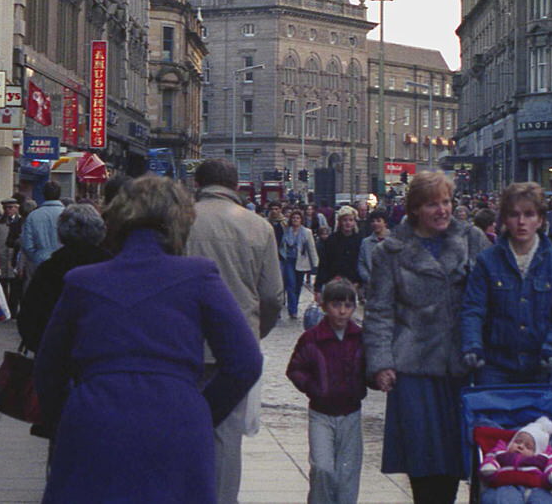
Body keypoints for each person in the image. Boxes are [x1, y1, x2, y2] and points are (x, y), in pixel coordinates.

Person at [34, 175, 263, 503]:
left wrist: (68, 416)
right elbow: (245, 361)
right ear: (180, 222)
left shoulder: (82, 282)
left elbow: (47, 369)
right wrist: (201, 409)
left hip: (95, 416)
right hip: (177, 418)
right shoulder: (199, 276)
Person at [365, 171, 487, 504]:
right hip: (414, 370)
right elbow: (378, 312)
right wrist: (381, 364)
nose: (443, 210)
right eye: (433, 203)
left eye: (446, 201)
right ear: (416, 208)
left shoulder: (471, 239)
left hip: (461, 367)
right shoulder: (390, 252)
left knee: (456, 459)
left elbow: (490, 297)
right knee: (421, 462)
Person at [187, 158, 285, 504]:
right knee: (227, 435)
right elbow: (273, 294)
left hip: (186, 345)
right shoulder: (260, 228)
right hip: (235, 350)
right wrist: (255, 332)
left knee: (182, 427)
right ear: (236, 188)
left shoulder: (181, 223)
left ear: (198, 183)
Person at [460, 182, 552, 385]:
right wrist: (472, 346)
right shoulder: (487, 261)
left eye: (529, 214)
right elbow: (473, 308)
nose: (521, 222)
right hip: (495, 365)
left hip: (540, 363)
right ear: (505, 219)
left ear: (540, 220)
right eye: (514, 214)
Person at [286, 278, 366, 504]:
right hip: (321, 413)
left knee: (347, 474)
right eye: (336, 305)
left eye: (348, 306)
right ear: (324, 306)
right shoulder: (312, 339)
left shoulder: (359, 337)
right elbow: (295, 369)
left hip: (351, 412)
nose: (342, 312)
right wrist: (314, 388)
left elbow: (370, 369)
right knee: (322, 468)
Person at [17, 204, 109, 352]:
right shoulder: (110, 265)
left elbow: (29, 316)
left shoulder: (51, 268)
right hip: (101, 356)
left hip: (57, 355)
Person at [476, 416, 552, 504]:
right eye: (517, 442)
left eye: (528, 447)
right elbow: (491, 458)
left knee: (544, 500)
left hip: (536, 486)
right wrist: (490, 467)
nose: (520, 446)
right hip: (506, 483)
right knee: (505, 498)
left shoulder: (542, 457)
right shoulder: (502, 452)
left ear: (537, 452)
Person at [19, 180, 64, 280]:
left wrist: (36, 257)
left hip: (40, 262)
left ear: (43, 194)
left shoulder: (33, 216)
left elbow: (27, 245)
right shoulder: (67, 214)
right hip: (63, 262)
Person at [280, 211, 319, 320]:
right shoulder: (286, 231)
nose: (295, 220)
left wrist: (315, 263)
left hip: (301, 261)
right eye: (294, 218)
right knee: (291, 285)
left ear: (301, 220)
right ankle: (292, 310)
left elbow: (311, 248)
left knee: (298, 285)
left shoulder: (307, 232)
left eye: (298, 218)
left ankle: (295, 305)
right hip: (289, 261)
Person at [316, 207, 362, 295]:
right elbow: (324, 263)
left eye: (351, 220)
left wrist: (358, 282)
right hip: (333, 283)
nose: (348, 223)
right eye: (345, 220)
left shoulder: (359, 240)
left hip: (353, 283)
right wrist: (318, 287)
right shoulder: (331, 240)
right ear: (340, 222)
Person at [0, 197, 23, 320]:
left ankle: (13, 311)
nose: (8, 210)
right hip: (1, 257)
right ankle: (3, 312)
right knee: (2, 285)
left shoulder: (21, 223)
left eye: (11, 207)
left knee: (15, 287)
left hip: (14, 259)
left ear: (17, 208)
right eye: (6, 208)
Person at [357, 212, 389, 287]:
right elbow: (361, 263)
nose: (375, 223)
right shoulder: (365, 242)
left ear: (385, 223)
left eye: (378, 221)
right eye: (373, 221)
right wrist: (368, 279)